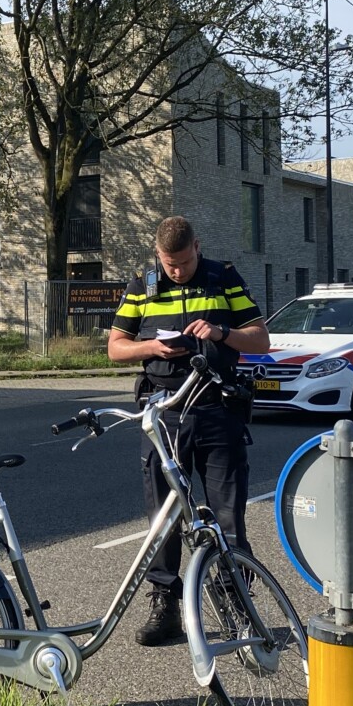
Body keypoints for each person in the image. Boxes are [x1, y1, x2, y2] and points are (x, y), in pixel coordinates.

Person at [107, 215, 270, 647]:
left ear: (197, 246)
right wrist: (150, 347)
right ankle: (166, 606)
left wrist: (221, 332)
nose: (175, 270)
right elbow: (115, 347)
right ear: (157, 254)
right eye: (168, 262)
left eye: (182, 261)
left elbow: (260, 340)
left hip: (217, 409)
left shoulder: (224, 279)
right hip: (163, 414)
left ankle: (237, 601)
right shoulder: (142, 286)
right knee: (162, 517)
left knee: (227, 515)